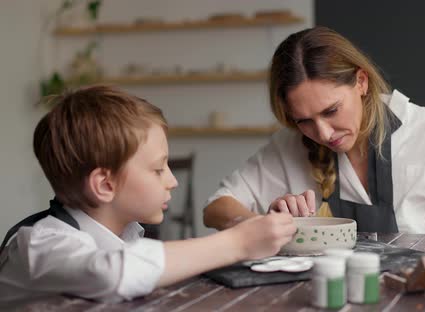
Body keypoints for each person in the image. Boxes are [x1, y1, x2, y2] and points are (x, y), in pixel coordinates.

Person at [0, 86, 296, 304]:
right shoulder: (39, 245)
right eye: (158, 170)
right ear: (105, 185)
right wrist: (238, 242)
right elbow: (114, 272)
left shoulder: (128, 236)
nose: (172, 181)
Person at [203, 26, 425, 235]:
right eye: (302, 120)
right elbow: (216, 208)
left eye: (331, 111)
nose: (322, 133)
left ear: (361, 82)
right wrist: (263, 226)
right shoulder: (288, 145)